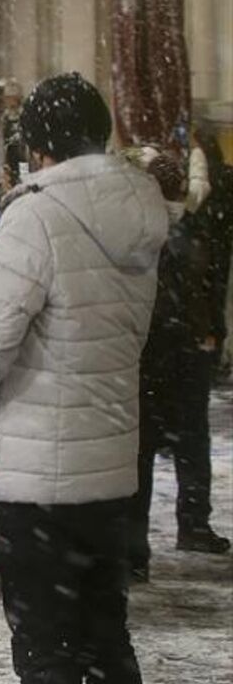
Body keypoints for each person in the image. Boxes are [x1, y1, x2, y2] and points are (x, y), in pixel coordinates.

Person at [0, 72, 168, 684]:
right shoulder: (140, 216)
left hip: (39, 481)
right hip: (113, 468)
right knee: (105, 636)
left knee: (47, 649)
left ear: (37, 148)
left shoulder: (36, 218)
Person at [130, 148, 230, 579]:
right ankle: (193, 524)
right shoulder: (194, 228)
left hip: (150, 352)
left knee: (142, 451)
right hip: (187, 350)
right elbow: (210, 287)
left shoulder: (136, 231)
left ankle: (135, 552)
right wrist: (213, 335)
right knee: (191, 442)